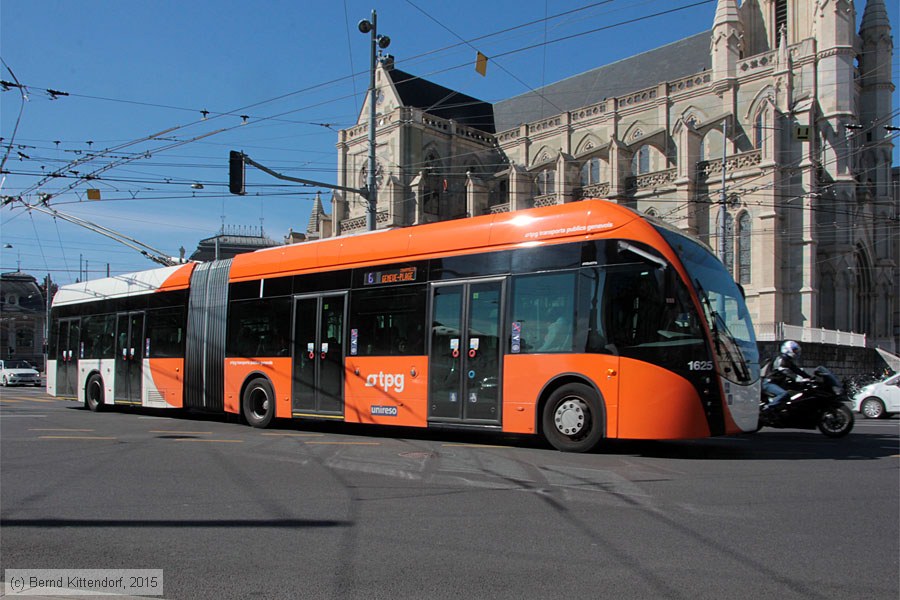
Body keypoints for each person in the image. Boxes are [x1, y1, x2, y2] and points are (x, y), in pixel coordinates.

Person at [763, 340, 811, 411]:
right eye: (794, 350)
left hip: (777, 383)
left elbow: (797, 370)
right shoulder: (781, 360)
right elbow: (786, 372)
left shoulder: (788, 361)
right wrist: (798, 380)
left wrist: (810, 377)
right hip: (769, 383)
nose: (796, 352)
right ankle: (767, 408)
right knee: (784, 394)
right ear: (788, 349)